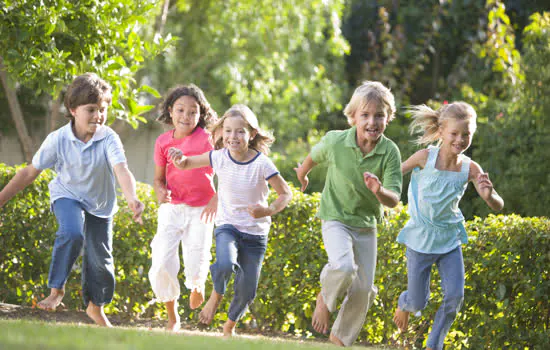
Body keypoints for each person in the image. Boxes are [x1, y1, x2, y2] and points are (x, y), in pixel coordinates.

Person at [0, 73, 144, 327]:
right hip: (67, 196)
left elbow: (121, 169)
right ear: (73, 109)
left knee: (102, 261)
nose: (98, 116)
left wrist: (132, 198)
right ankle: (56, 291)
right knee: (72, 232)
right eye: (91, 109)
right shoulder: (58, 139)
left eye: (103, 109)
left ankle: (95, 307)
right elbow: (29, 173)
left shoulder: (108, 137)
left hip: (101, 206)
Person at [167, 104, 292, 337]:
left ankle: (229, 326)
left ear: (252, 134)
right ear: (221, 132)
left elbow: (285, 194)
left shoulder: (262, 163)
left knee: (247, 290)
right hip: (228, 226)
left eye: (240, 131)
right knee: (225, 263)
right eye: (228, 131)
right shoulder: (219, 157)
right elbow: (186, 163)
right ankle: (216, 295)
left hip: (255, 234)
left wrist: (267, 210)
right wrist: (178, 158)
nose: (232, 137)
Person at [294, 81, 402, 347]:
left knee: (364, 289)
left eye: (379, 115)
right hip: (335, 218)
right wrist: (302, 174)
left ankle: (339, 340)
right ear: (353, 117)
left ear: (388, 118)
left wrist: (379, 191)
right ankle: (325, 299)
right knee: (343, 266)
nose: (372, 121)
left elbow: (394, 199)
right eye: (365, 115)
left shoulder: (390, 152)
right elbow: (313, 157)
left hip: (366, 225)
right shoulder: (336, 141)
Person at [393, 102, 504, 350]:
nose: (460, 139)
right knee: (418, 302)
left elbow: (498, 204)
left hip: (449, 240)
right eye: (454, 133)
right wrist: (377, 186)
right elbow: (395, 173)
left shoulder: (470, 168)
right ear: (441, 131)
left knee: (455, 297)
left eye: (466, 134)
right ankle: (405, 302)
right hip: (421, 239)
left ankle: (434, 345)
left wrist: (489, 196)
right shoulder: (424, 158)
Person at [148, 84, 218, 332]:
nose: (186, 117)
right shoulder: (162, 142)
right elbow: (158, 179)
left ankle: (197, 286)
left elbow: (228, 169)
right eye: (180, 110)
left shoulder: (208, 139)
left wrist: (216, 199)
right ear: (170, 111)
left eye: (192, 112)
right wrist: (159, 192)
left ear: (201, 114)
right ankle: (172, 316)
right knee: (161, 260)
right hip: (172, 207)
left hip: (202, 209)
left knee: (196, 255)